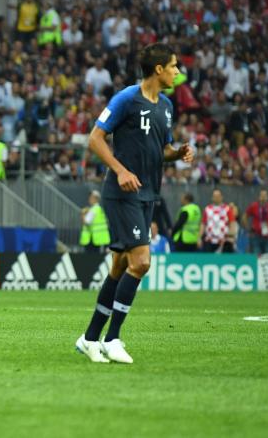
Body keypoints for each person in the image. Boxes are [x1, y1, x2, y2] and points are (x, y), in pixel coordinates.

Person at [76, 43, 194, 364]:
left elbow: (162, 149)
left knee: (119, 266)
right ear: (158, 70)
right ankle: (113, 339)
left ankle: (89, 338)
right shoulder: (126, 99)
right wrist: (121, 170)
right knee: (141, 262)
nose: (177, 72)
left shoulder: (166, 106)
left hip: (147, 194)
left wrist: (177, 152)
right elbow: (95, 138)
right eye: (173, 66)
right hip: (122, 192)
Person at [200, 189, 235, 253]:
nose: (216, 198)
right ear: (212, 198)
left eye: (218, 196)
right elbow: (203, 224)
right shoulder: (207, 209)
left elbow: (232, 223)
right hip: (209, 240)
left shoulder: (227, 209)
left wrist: (231, 236)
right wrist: (199, 237)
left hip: (223, 240)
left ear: (221, 197)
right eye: (215, 196)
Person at [244, 189, 268, 255]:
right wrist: (247, 228)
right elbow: (245, 216)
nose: (263, 197)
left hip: (267, 235)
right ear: (259, 197)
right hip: (256, 235)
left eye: (265, 195)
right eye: (262, 195)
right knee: (256, 254)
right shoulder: (253, 206)